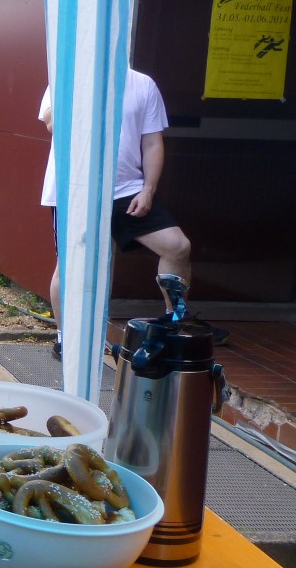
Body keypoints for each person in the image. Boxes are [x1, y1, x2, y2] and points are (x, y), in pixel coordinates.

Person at [40, 70, 219, 358]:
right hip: (75, 189)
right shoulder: (69, 73)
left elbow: (152, 142)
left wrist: (148, 189)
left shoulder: (143, 84)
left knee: (177, 247)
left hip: (127, 189)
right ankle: (65, 338)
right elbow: (52, 124)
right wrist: (79, 83)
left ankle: (175, 322)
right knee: (70, 266)